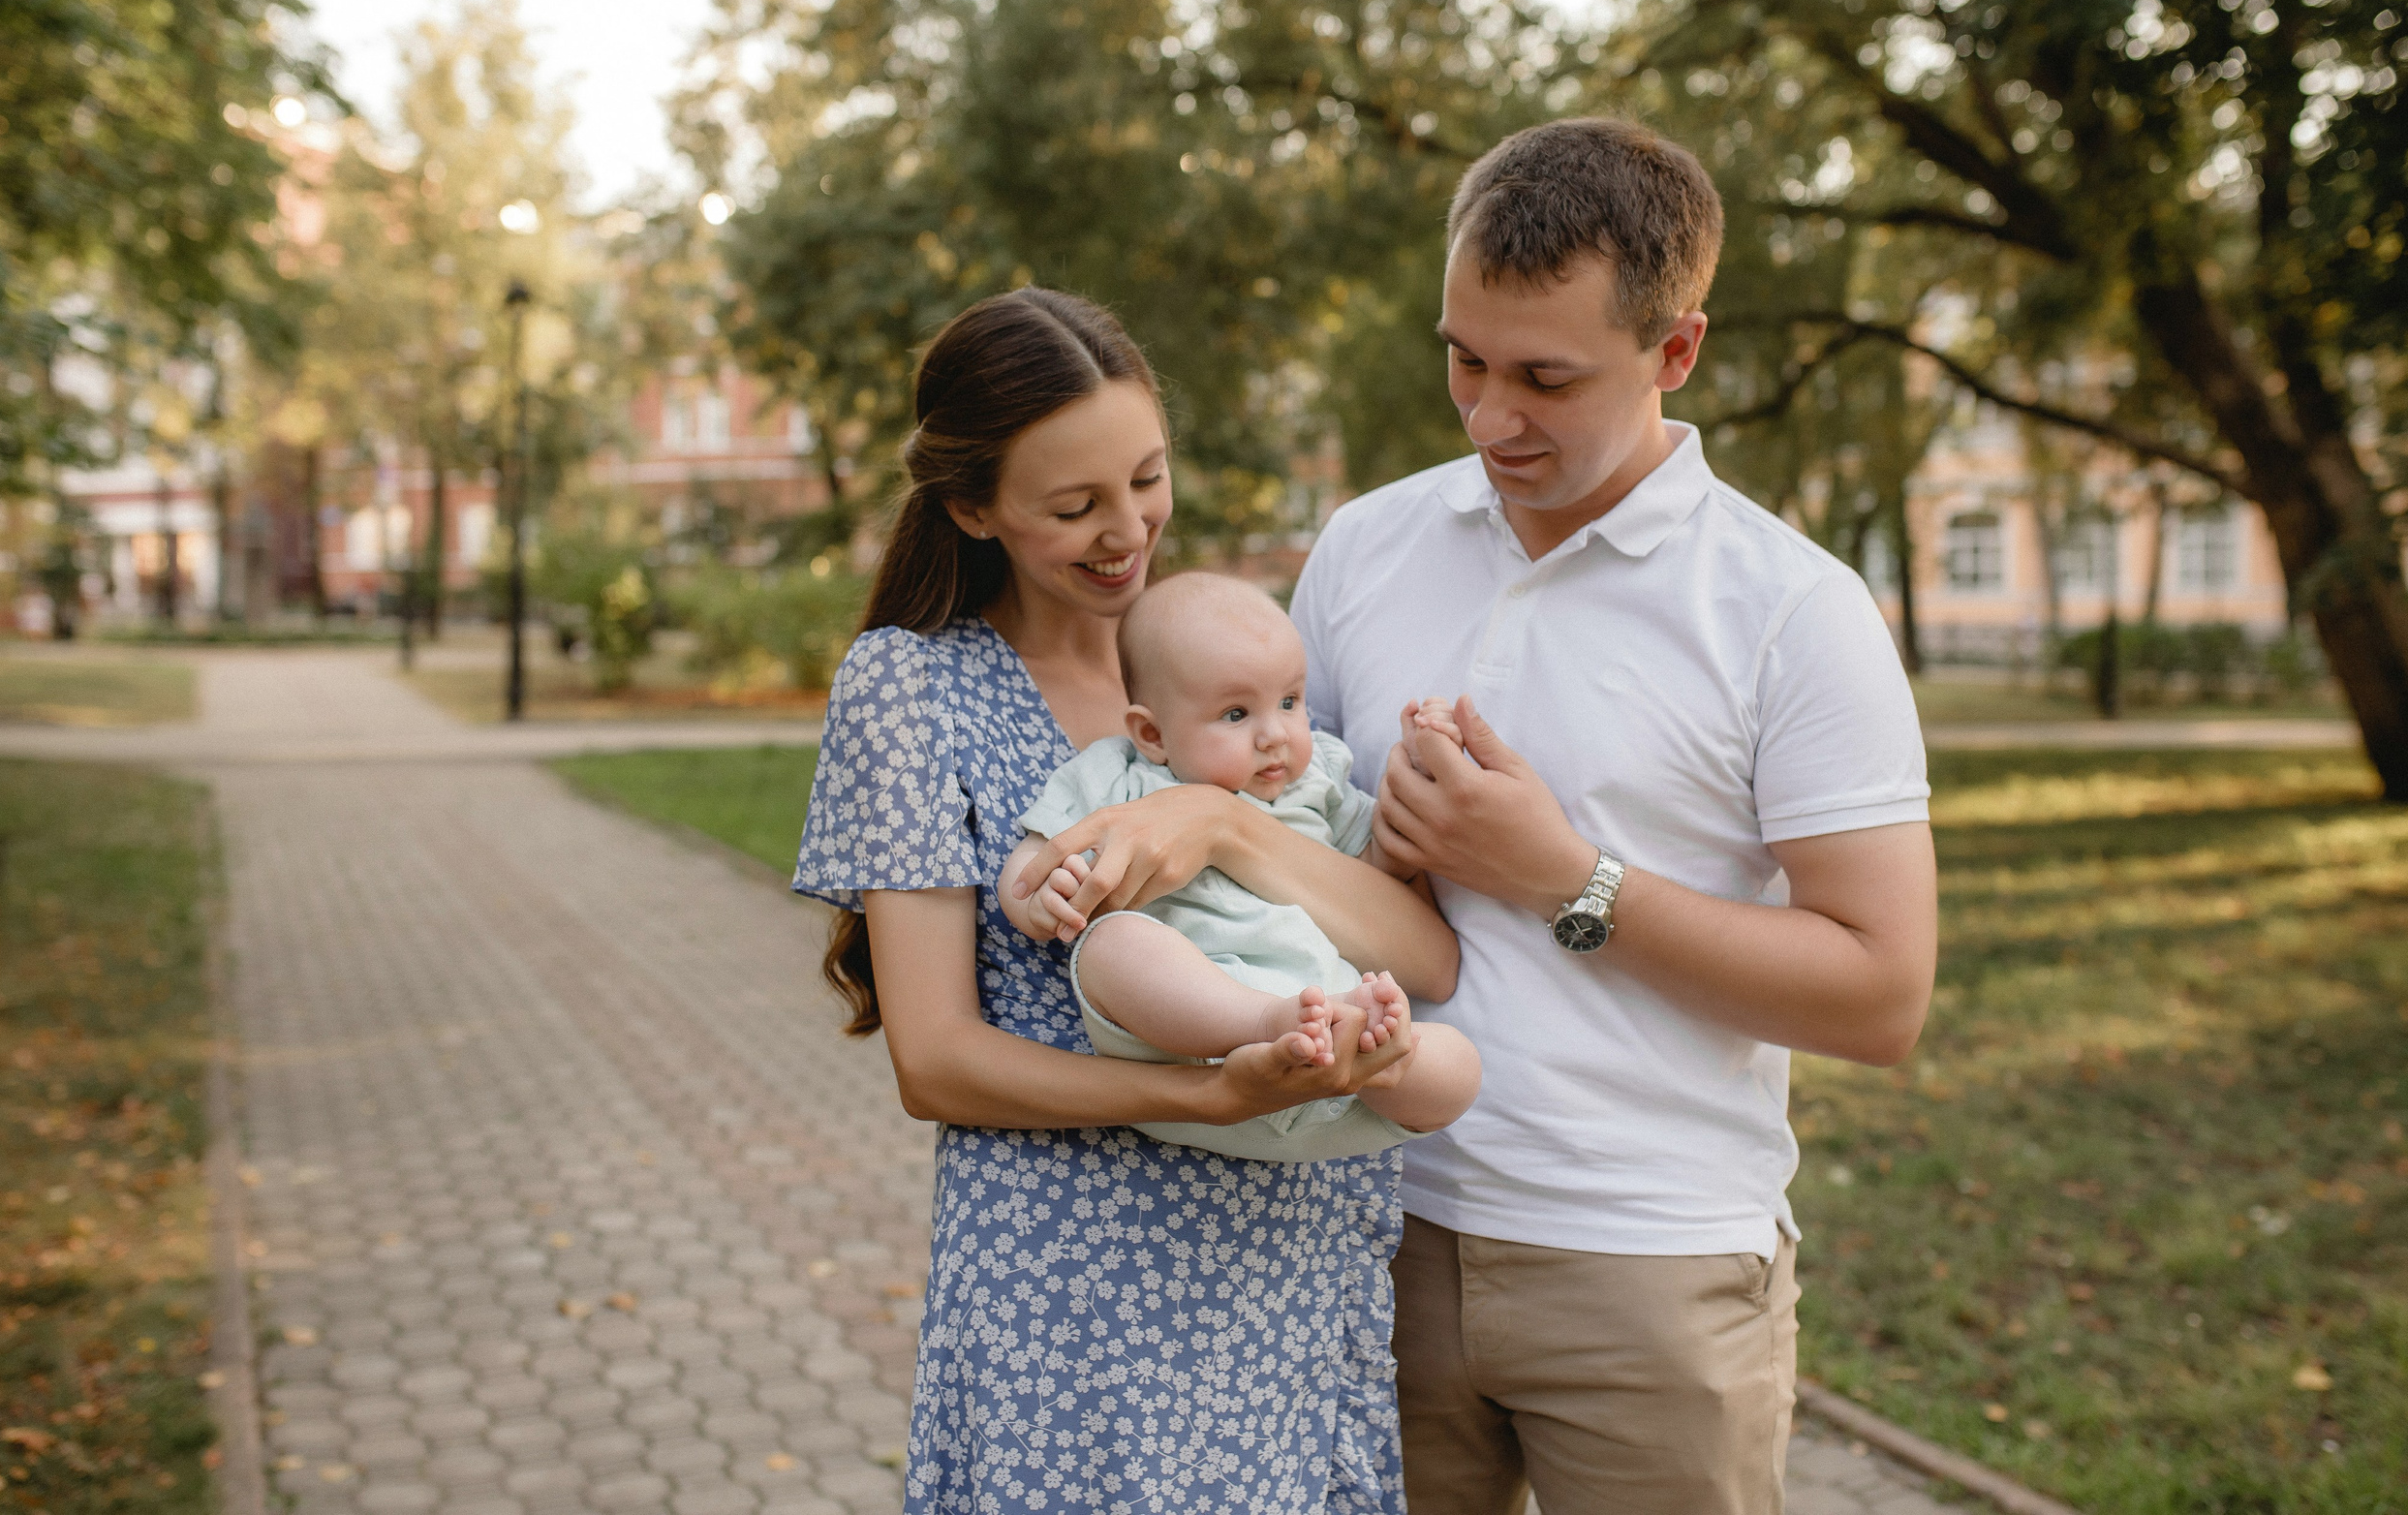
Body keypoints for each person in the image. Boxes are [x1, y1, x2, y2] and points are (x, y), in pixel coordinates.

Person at [1288, 117, 1940, 1513]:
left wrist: (1561, 877)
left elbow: (1882, 995)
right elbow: (1292, 858)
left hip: (1652, 1266)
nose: (1489, 418)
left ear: (1675, 350)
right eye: (1464, 359)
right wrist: (1364, 847)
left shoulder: (1793, 610)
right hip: (1364, 1226)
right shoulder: (1363, 547)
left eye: (1546, 377)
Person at [792, 287, 1456, 1515]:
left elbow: (1425, 957)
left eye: (1147, 480)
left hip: (1290, 1265)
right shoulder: (913, 689)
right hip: (1077, 1300)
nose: (1126, 530)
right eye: (1073, 506)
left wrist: (1223, 825)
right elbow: (936, 1063)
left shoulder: (1233, 670)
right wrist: (1207, 1094)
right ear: (971, 507)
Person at [1001, 572, 1483, 1161]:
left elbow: (1377, 870)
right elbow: (1035, 858)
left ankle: (1378, 1059)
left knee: (1459, 1062)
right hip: (1194, 1046)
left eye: (1290, 702)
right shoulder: (1118, 775)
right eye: (1236, 714)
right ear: (1152, 733)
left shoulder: (1320, 779)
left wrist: (1419, 772)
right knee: (1112, 943)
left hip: (1333, 1053)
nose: (1274, 735)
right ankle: (1266, 1022)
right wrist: (1041, 896)